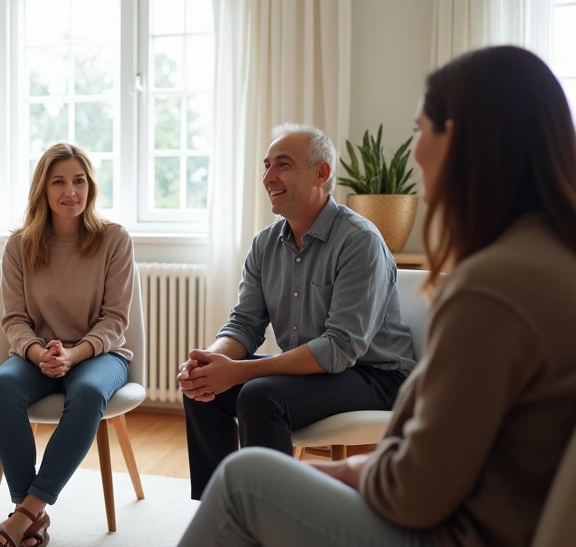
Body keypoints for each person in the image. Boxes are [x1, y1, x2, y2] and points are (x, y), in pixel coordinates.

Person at [148, 45, 576, 547]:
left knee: (246, 481)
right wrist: (222, 362)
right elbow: (456, 458)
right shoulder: (575, 267)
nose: (415, 157)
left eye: (422, 132)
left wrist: (326, 476)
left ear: (463, 139)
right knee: (240, 537)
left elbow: (417, 490)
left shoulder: (490, 287)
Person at [178, 122, 416, 500]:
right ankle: (217, 522)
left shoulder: (360, 241)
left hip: (376, 377)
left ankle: (272, 538)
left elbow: (339, 348)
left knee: (259, 396)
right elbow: (244, 324)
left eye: (282, 165)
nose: (268, 176)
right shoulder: (265, 244)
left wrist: (239, 371)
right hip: (312, 372)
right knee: (202, 388)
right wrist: (213, 361)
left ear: (321, 173)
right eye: (267, 165)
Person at [0, 142, 134, 547]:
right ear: (43, 190)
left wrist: (73, 354)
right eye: (60, 182)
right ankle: (29, 514)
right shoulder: (19, 246)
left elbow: (115, 320)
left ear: (91, 186)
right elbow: (14, 319)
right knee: (2, 388)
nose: (72, 191)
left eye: (80, 181)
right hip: (39, 357)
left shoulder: (114, 239)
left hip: (101, 356)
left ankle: (28, 509)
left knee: (86, 393)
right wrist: (38, 354)